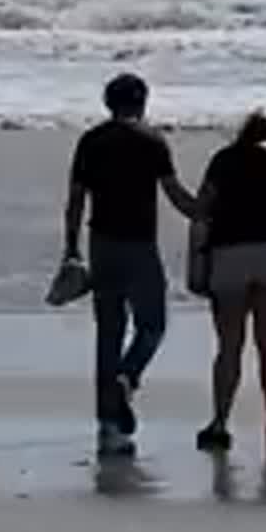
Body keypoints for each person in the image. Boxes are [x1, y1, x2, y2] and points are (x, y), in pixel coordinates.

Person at [63, 73, 199, 456]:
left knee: (109, 331)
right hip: (140, 245)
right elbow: (175, 196)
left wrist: (71, 249)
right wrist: (207, 213)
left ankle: (108, 423)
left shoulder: (91, 141)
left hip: (102, 243)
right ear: (142, 102)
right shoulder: (151, 141)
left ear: (108, 102)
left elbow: (75, 200)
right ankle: (128, 377)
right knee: (152, 325)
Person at [192, 111, 266, 452]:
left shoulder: (225, 160)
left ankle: (219, 422)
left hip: (230, 255)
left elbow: (202, 207)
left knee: (229, 345)